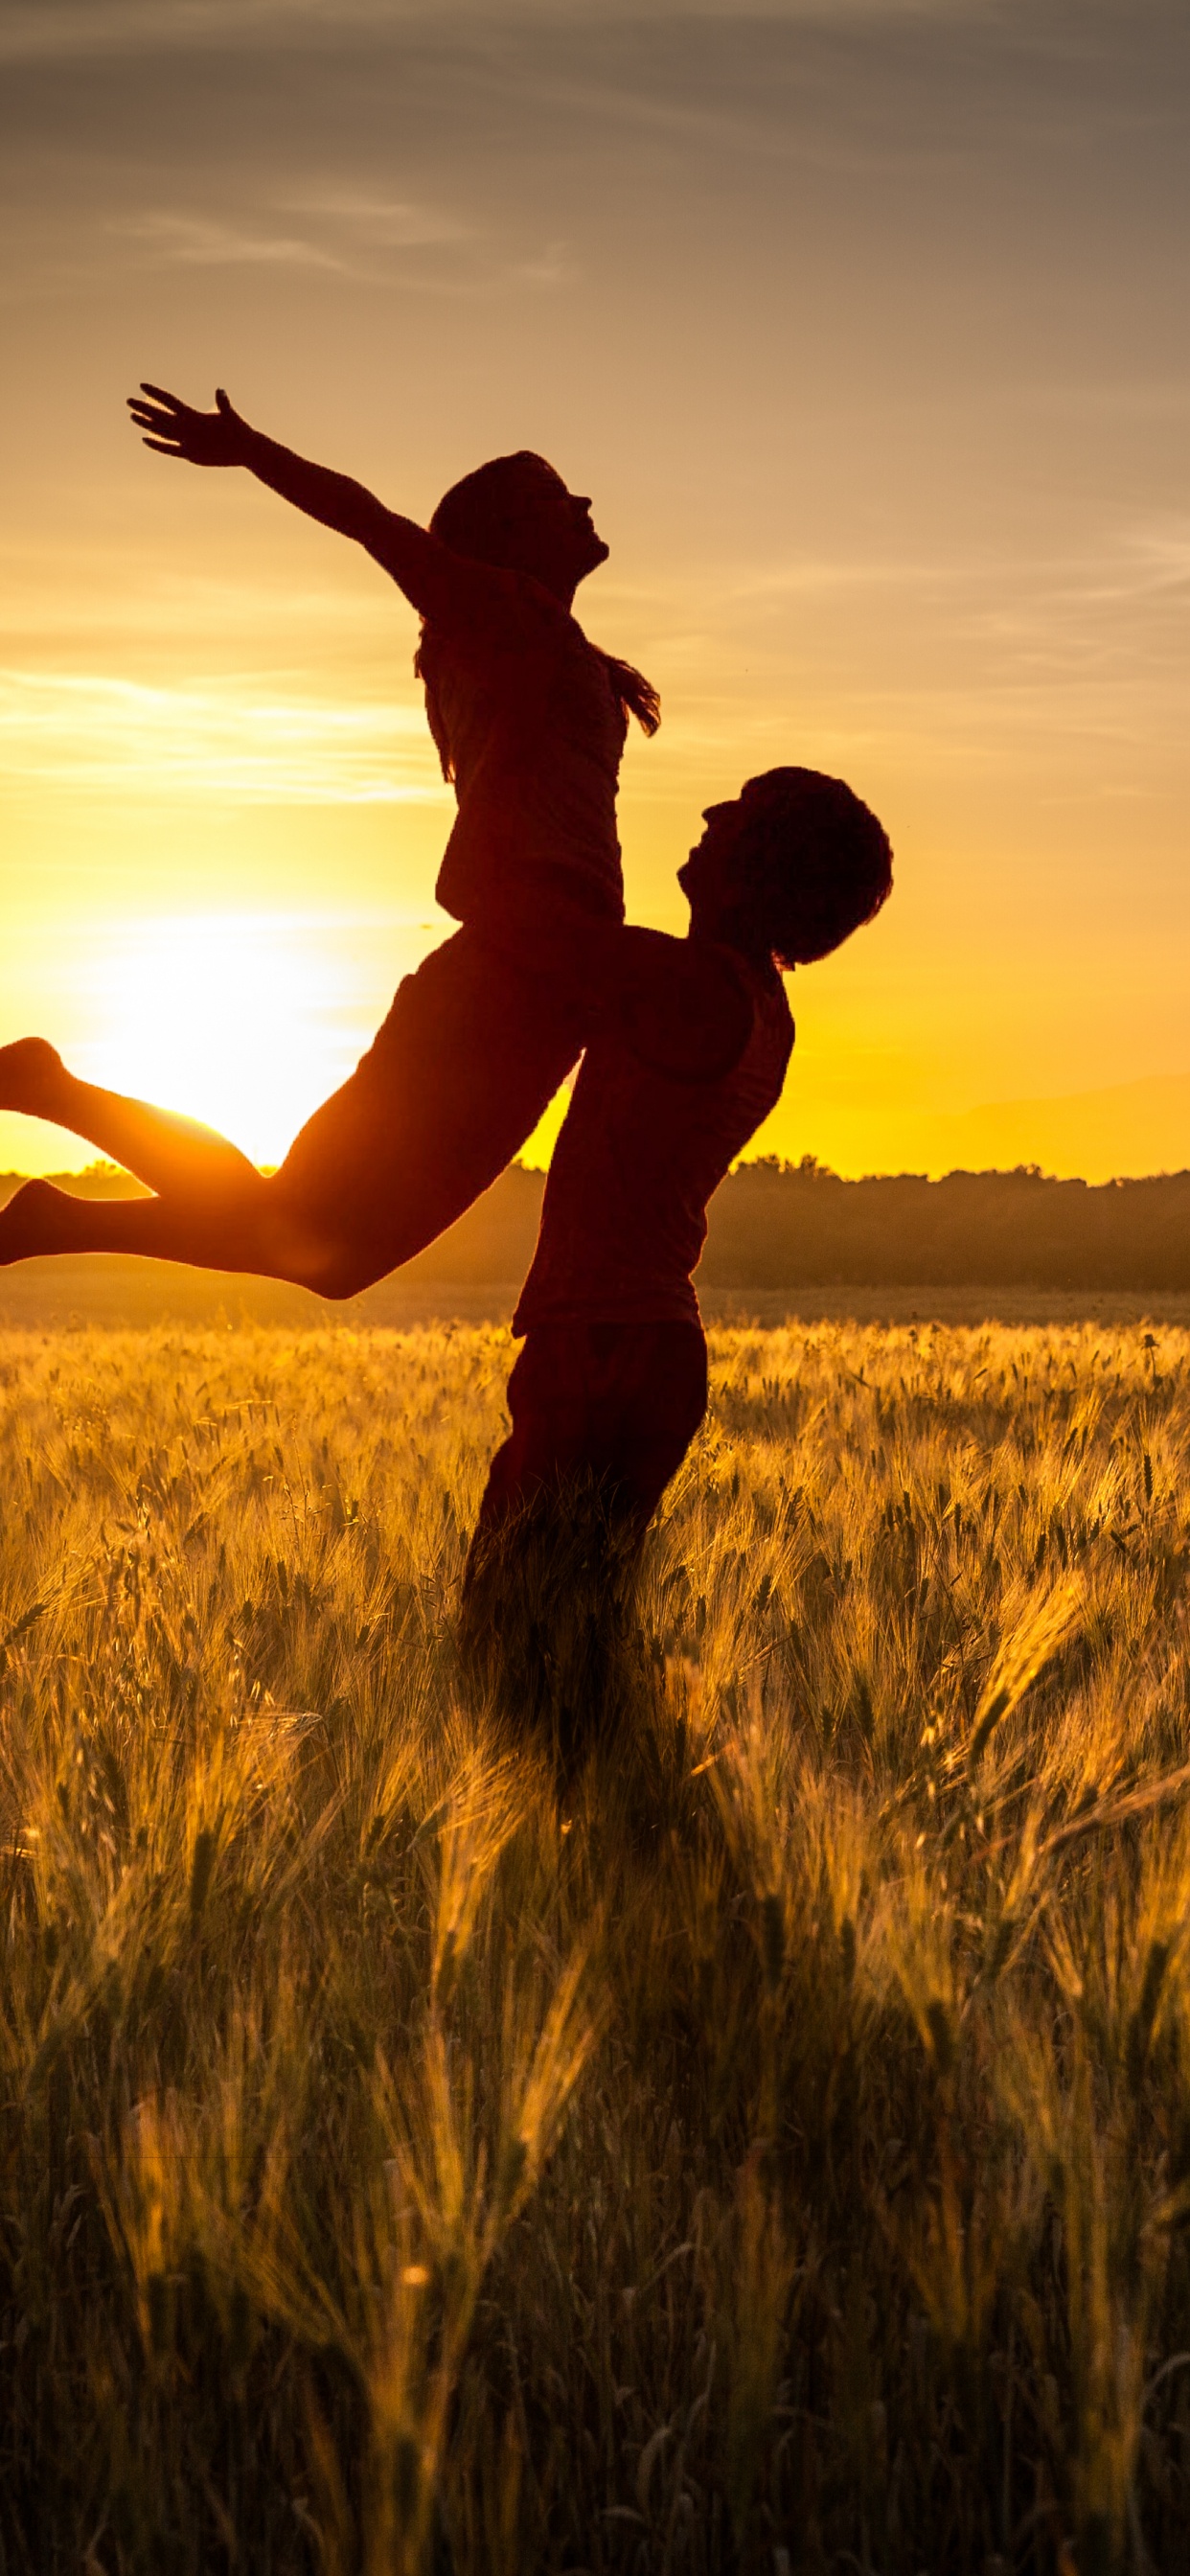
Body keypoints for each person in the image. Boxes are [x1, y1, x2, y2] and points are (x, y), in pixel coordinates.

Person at [0, 384, 658, 1293]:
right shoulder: (507, 614)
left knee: (326, 1249)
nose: (583, 504)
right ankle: (50, 1127)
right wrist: (253, 450)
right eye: (556, 496)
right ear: (507, 537)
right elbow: (368, 519)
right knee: (311, 1236)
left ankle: (50, 1181)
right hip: (515, 968)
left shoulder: (538, 638)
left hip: (545, 974)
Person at [463, 770, 893, 1622]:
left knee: (514, 1633)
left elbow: (498, 908)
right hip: (637, 1342)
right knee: (563, 1638)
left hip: (605, 1345)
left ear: (765, 865)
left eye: (743, 812)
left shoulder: (692, 987)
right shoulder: (756, 1003)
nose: (710, 813)